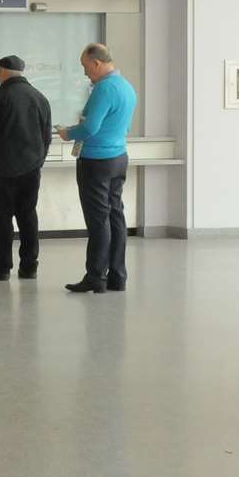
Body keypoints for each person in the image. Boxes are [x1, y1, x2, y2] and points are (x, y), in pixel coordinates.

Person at [58, 43, 138, 294]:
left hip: (96, 161)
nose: (84, 72)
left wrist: (68, 133)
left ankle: (95, 277)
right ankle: (117, 276)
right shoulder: (126, 86)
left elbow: (90, 128)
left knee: (98, 221)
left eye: (85, 66)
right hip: (118, 157)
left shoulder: (104, 89)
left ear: (97, 63)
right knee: (116, 216)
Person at [0, 56, 53, 281]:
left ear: (3, 72)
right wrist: (38, 161)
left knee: (1, 218)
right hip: (31, 169)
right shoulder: (40, 98)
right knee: (28, 216)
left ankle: (2, 266)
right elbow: (47, 137)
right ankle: (29, 266)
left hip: (1, 170)